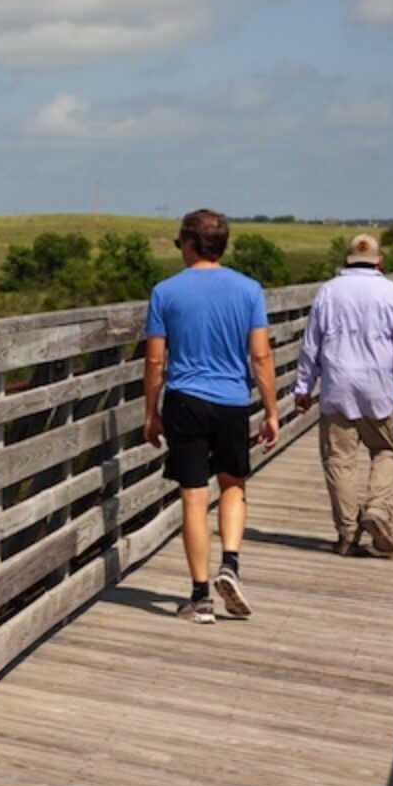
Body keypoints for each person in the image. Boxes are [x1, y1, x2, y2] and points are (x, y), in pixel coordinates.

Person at [143, 209, 279, 624]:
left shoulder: (165, 292)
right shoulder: (249, 290)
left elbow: (154, 362)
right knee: (233, 483)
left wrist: (151, 412)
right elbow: (260, 356)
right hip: (232, 401)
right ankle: (231, 565)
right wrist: (271, 410)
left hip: (185, 400)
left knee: (193, 495)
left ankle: (200, 597)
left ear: (187, 243)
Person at [292, 233, 393, 557]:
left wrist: (302, 388)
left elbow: (310, 346)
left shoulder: (328, 292)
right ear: (380, 261)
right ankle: (378, 511)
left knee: (339, 461)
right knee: (387, 451)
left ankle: (348, 533)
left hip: (337, 386)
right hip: (379, 389)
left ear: (346, 261)